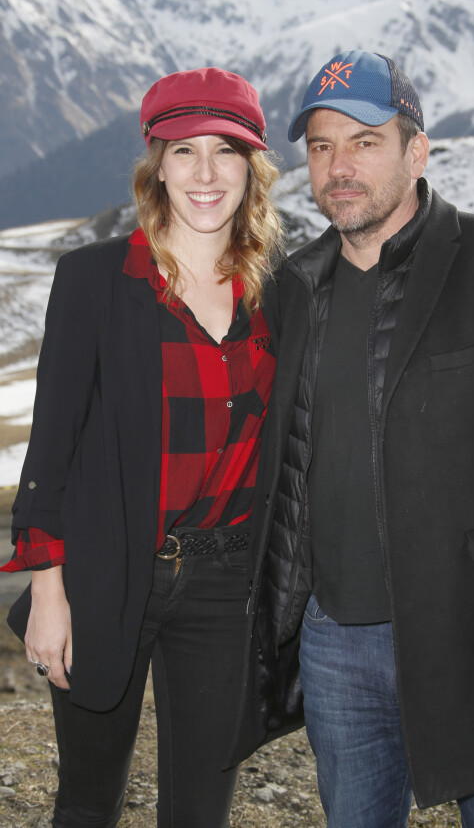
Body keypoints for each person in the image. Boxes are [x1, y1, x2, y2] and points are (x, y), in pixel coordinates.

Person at [228, 51, 474, 827]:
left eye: (364, 141)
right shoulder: (296, 286)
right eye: (321, 147)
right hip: (334, 646)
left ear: (416, 151)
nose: (338, 167)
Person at [1, 66, 284, 827]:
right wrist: (49, 593)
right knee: (88, 803)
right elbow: (50, 449)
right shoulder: (94, 280)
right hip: (107, 570)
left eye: (225, 151)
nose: (204, 173)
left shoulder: (280, 292)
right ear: (155, 164)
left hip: (227, 586)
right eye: (182, 150)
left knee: (201, 811)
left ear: (251, 167)